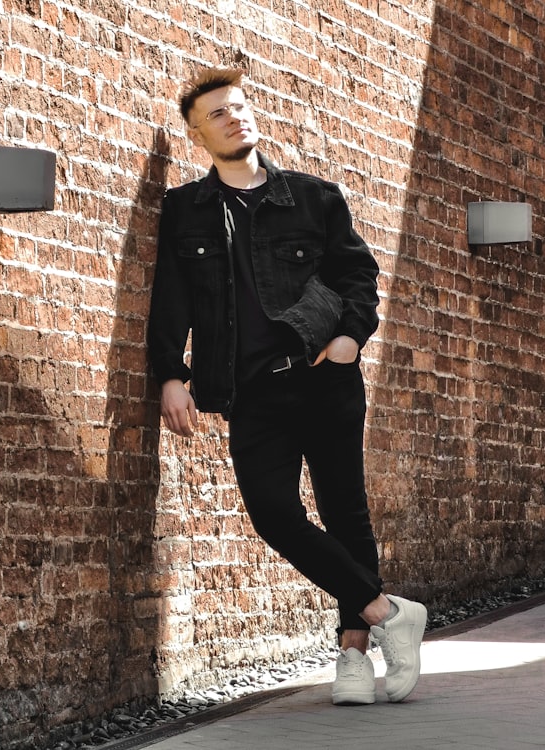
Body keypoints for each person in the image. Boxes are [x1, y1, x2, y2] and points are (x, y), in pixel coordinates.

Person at [146, 66, 427, 705]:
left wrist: (352, 336)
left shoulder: (313, 197)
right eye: (217, 113)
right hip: (250, 390)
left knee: (343, 509)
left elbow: (357, 275)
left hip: (324, 378)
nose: (233, 118)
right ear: (196, 132)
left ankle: (354, 657)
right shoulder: (185, 211)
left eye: (239, 107)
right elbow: (171, 298)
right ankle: (390, 616)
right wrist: (170, 372)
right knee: (274, 513)